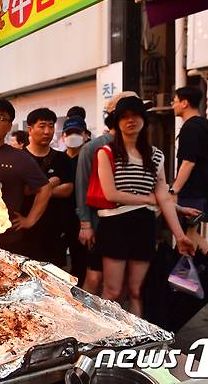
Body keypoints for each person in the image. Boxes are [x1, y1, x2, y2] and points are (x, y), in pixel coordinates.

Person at [96, 96, 195, 316]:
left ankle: (137, 341)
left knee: (137, 290)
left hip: (145, 226)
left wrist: (180, 236)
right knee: (112, 291)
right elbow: (111, 194)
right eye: (124, 117)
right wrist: (147, 199)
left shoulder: (156, 155)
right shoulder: (107, 153)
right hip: (115, 224)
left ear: (143, 120)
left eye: (135, 115)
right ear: (117, 122)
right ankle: (101, 340)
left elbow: (164, 197)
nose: (130, 120)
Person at [75, 91, 137, 294]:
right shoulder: (93, 148)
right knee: (95, 278)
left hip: (131, 224)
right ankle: (83, 321)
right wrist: (86, 224)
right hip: (100, 223)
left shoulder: (139, 148)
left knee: (123, 283)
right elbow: (82, 187)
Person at [0, 98, 52, 255]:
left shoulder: (19, 158)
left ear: (9, 126)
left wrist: (30, 220)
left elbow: (45, 188)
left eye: (1, 119)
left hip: (7, 240)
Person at [21, 108, 74, 266]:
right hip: (26, 232)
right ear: (30, 129)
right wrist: (51, 183)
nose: (47, 131)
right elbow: (22, 190)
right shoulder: (20, 158)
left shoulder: (62, 158)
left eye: (51, 126)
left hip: (55, 230)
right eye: (42, 126)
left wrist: (37, 189)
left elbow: (67, 190)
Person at [170, 87, 208, 226]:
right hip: (207, 190)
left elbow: (189, 162)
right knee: (192, 236)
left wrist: (174, 190)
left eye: (175, 101)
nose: (173, 105)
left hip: (192, 192)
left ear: (184, 103)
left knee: (186, 237)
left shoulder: (190, 128)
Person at [62, 116, 89, 284]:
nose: (73, 136)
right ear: (63, 136)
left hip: (81, 220)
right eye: (69, 132)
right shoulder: (59, 159)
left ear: (85, 135)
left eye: (77, 132)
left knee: (81, 262)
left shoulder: (89, 160)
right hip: (61, 219)